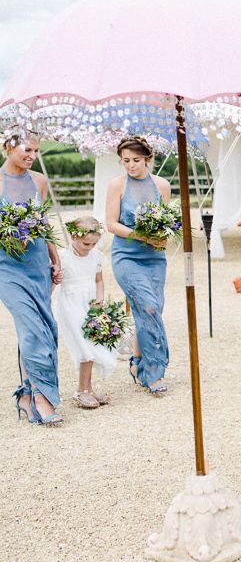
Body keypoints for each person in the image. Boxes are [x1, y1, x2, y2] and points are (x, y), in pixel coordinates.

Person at [0, 129, 64, 425]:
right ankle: (42, 398)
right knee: (31, 327)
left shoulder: (39, 180)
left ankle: (26, 396)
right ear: (7, 146)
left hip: (37, 263)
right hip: (7, 267)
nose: (32, 155)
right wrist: (12, 234)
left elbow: (43, 221)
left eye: (36, 151)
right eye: (27, 149)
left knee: (42, 327)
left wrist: (54, 254)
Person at [105, 136, 171, 395]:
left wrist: (163, 235)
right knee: (148, 306)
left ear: (147, 159)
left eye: (135, 160)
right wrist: (141, 235)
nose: (130, 166)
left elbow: (166, 221)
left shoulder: (162, 186)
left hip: (155, 258)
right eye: (125, 161)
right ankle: (154, 373)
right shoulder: (116, 185)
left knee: (153, 310)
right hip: (126, 257)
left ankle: (137, 361)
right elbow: (111, 224)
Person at [54, 216, 116, 409]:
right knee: (84, 346)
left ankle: (87, 388)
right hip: (71, 304)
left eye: (93, 243)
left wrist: (99, 300)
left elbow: (98, 280)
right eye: (85, 243)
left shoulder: (96, 255)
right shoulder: (63, 256)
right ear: (73, 236)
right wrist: (56, 277)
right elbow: (54, 282)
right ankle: (82, 390)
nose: (89, 247)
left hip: (91, 304)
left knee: (91, 345)